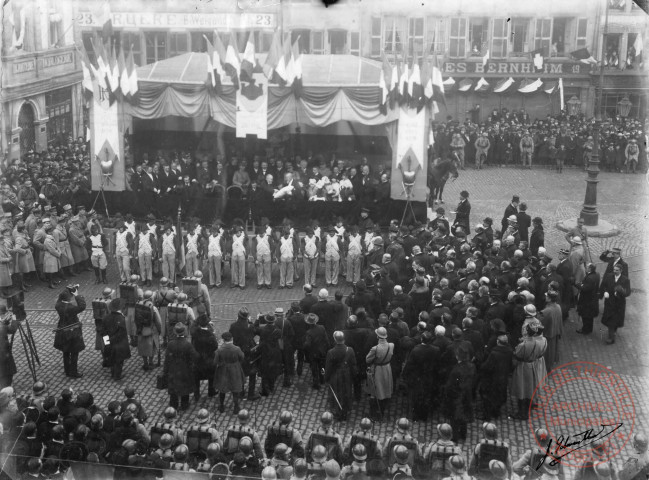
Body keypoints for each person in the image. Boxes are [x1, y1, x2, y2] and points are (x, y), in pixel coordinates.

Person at [511, 320, 547, 420]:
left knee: (521, 389)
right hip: (532, 366)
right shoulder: (539, 342)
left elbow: (517, 354)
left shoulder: (524, 344)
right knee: (529, 388)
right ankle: (528, 408)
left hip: (523, 366)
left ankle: (522, 413)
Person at [402, 331, 440, 421]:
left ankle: (415, 416)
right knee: (426, 397)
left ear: (421, 339)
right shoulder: (436, 349)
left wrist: (404, 374)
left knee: (416, 397)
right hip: (429, 377)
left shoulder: (416, 350)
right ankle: (424, 416)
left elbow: (410, 364)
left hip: (417, 377)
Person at [442, 345, 475, 443]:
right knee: (464, 416)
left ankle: (455, 437)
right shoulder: (471, 366)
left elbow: (450, 385)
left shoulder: (456, 369)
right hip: (467, 395)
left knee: (454, 418)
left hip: (456, 396)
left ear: (458, 356)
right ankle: (463, 434)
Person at [163, 323, 199, 410]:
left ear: (175, 332)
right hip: (185, 369)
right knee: (185, 388)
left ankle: (173, 404)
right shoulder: (187, 344)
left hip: (173, 369)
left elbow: (167, 358)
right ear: (185, 332)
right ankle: (184, 404)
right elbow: (195, 356)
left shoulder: (171, 344)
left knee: (174, 387)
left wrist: (165, 370)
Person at [54, 286, 86, 378]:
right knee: (74, 352)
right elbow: (82, 306)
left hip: (62, 330)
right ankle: (73, 372)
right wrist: (77, 295)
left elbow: (60, 298)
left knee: (66, 351)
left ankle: (67, 370)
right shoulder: (71, 308)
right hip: (73, 331)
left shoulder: (58, 305)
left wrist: (67, 291)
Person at [324, 331, 356, 421]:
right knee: (346, 393)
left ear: (335, 340)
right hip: (347, 375)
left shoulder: (331, 352)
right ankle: (345, 411)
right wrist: (353, 377)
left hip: (335, 376)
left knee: (336, 394)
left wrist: (326, 379)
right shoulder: (350, 350)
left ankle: (338, 412)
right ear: (344, 339)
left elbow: (328, 368)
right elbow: (353, 365)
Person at [479, 335, 513, 421]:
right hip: (503, 376)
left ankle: (487, 415)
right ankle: (496, 412)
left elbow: (488, 366)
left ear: (498, 342)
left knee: (489, 396)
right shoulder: (509, 351)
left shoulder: (494, 353)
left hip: (492, 378)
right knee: (499, 394)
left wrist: (481, 366)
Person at [365, 326, 393, 421]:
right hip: (387, 369)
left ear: (377, 336)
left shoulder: (375, 348)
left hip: (378, 370)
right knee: (385, 388)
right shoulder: (391, 345)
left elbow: (367, 359)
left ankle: (375, 413)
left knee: (376, 390)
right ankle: (382, 409)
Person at [599, 263, 631, 345]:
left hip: (618, 304)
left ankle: (611, 338)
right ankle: (612, 334)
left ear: (621, 271)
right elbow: (604, 285)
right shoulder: (609, 276)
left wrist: (621, 291)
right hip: (609, 302)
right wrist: (605, 292)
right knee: (611, 321)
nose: (615, 271)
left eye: (617, 270)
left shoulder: (625, 280)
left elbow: (628, 292)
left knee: (613, 321)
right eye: (614, 270)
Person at [214, 331, 246, 414]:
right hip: (235, 370)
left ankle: (221, 406)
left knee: (222, 389)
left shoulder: (219, 350)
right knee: (235, 389)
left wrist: (222, 363)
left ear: (223, 340)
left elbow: (215, 362)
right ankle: (236, 407)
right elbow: (242, 357)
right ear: (231, 339)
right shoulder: (237, 349)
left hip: (223, 370)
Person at [102, 298, 131, 381]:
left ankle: (112, 373)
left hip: (109, 343)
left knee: (112, 358)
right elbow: (121, 334)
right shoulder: (122, 319)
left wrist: (107, 342)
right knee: (119, 361)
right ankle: (117, 376)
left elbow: (103, 332)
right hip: (120, 344)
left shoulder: (106, 318)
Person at [135, 290, 162, 371]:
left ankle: (145, 363)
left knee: (143, 346)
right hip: (151, 330)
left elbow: (135, 318)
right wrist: (160, 330)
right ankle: (150, 362)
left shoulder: (138, 305)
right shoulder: (153, 308)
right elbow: (158, 322)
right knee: (152, 347)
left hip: (141, 329)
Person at [193, 314, 218, 400]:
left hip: (198, 360)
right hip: (209, 360)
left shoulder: (195, 333)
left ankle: (196, 394)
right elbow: (215, 346)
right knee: (211, 376)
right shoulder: (210, 335)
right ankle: (211, 391)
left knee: (197, 377)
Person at [304, 313, 328, 390]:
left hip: (313, 353)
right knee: (322, 366)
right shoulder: (322, 327)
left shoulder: (309, 332)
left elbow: (308, 344)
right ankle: (322, 379)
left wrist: (304, 346)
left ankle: (316, 383)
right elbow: (326, 340)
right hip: (322, 351)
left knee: (314, 368)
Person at [541, 291, 563, 373]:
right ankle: (548, 367)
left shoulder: (547, 310)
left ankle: (546, 369)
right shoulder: (558, 306)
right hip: (555, 332)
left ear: (550, 299)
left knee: (547, 354)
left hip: (548, 334)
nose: (545, 297)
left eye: (547, 296)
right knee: (553, 352)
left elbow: (541, 322)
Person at [576, 263, 601, 335]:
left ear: (590, 269)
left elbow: (585, 288)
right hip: (593, 299)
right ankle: (589, 329)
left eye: (586, 267)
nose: (585, 268)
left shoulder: (590, 278)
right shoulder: (597, 274)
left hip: (587, 300)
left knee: (585, 316)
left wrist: (578, 285)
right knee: (590, 316)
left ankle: (585, 330)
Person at [0, 305, 18, 388]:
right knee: (7, 376)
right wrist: (14, 320)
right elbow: (12, 329)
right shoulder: (2, 327)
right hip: (3, 356)